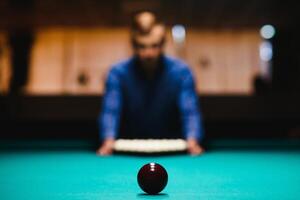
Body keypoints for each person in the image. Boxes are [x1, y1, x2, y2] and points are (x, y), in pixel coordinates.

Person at [97, 11, 204, 156]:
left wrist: (193, 140)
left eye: (154, 46)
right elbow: (111, 111)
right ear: (134, 46)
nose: (148, 53)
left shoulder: (182, 72)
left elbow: (190, 111)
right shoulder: (117, 73)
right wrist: (108, 140)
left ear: (163, 44)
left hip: (171, 149)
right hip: (129, 150)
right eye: (142, 46)